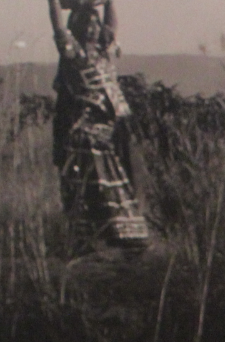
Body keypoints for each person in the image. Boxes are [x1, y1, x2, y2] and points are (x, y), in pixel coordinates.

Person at [46, 0, 148, 248]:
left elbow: (111, 25)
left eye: (95, 23)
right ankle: (92, 238)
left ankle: (126, 234)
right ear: (78, 29)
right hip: (87, 129)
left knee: (120, 178)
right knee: (93, 182)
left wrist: (108, 2)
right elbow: (58, 26)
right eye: (88, 24)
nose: (93, 28)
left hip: (113, 126)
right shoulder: (73, 53)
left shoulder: (105, 49)